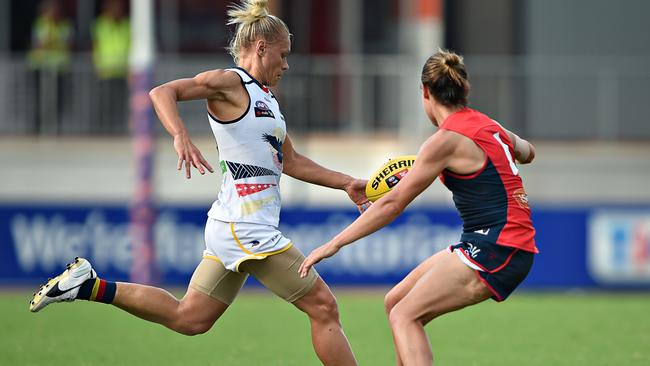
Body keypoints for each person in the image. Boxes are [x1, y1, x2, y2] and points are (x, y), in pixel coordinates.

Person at [29, 1, 365, 365]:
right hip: (246, 227)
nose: (286, 65)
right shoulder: (232, 83)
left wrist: (347, 183)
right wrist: (179, 135)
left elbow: (293, 162)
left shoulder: (266, 99)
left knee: (189, 318)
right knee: (324, 307)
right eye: (282, 55)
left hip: (232, 226)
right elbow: (161, 92)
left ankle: (88, 284)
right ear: (261, 48)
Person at [299, 49, 538, 365]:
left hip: (498, 246)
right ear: (465, 90)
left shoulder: (444, 142)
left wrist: (334, 243)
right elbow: (528, 152)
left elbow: (393, 204)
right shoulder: (487, 125)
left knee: (405, 316)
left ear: (425, 92)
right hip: (494, 242)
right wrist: (369, 185)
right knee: (395, 301)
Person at [27, 0, 73, 133]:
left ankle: (56, 127)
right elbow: (39, 45)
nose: (54, 13)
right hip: (41, 67)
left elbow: (68, 45)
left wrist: (52, 42)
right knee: (39, 100)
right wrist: (50, 34)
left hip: (59, 68)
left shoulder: (65, 25)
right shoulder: (40, 24)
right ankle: (37, 127)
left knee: (58, 101)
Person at [91, 0, 130, 134]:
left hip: (122, 72)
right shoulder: (100, 24)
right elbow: (95, 47)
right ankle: (101, 131)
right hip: (105, 72)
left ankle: (117, 130)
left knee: (119, 104)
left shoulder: (127, 25)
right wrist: (97, 65)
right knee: (104, 104)